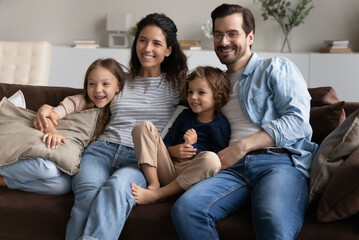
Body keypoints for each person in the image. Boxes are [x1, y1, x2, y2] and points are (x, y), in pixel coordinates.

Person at [171, 4, 318, 240]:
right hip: (231, 170)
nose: (224, 41)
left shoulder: (275, 68)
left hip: (277, 162)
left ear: (250, 37)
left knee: (271, 219)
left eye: (232, 33)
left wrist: (242, 146)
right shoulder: (213, 84)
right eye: (218, 35)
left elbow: (298, 121)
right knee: (186, 209)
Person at [41, 13, 186, 240]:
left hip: (140, 160)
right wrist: (50, 112)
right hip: (100, 151)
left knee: (118, 188)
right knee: (88, 195)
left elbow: (208, 99)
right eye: (142, 40)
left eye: (157, 43)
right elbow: (81, 100)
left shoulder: (178, 86)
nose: (147, 48)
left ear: (168, 50)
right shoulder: (117, 80)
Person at [0, 58, 124, 195]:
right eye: (92, 84)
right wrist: (52, 131)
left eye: (105, 84)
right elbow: (49, 116)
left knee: (62, 186)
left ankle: (5, 181)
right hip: (52, 151)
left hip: (73, 163)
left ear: (118, 86)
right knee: (48, 169)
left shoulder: (119, 110)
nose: (98, 90)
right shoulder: (79, 102)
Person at [130, 66, 230, 205]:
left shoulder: (220, 124)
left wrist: (192, 146)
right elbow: (165, 144)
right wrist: (173, 150)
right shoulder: (185, 115)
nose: (193, 97)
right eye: (190, 92)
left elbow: (219, 159)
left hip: (192, 175)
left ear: (217, 95)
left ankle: (158, 195)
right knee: (143, 127)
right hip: (169, 168)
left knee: (212, 159)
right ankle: (154, 184)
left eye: (201, 92)